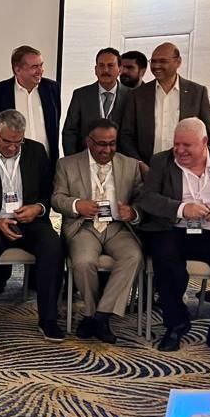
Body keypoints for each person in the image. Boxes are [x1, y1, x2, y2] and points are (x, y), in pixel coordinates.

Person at [137, 118, 210, 357]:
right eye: (176, 144)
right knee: (165, 260)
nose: (179, 150)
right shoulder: (161, 161)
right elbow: (147, 199)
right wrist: (182, 209)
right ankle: (176, 325)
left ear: (204, 142)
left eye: (186, 145)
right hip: (174, 230)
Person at [0, 110, 64, 345]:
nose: (13, 148)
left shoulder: (36, 151)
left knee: (52, 245)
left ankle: (48, 319)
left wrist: (37, 208)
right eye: (7, 142)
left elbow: (49, 191)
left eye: (19, 142)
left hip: (28, 220)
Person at [51, 119, 143, 344]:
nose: (107, 150)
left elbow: (142, 199)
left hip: (118, 227)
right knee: (83, 262)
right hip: (85, 226)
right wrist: (77, 205)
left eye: (112, 144)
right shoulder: (67, 164)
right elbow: (57, 198)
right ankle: (92, 313)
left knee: (133, 257)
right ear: (88, 142)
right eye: (102, 144)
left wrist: (133, 212)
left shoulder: (131, 165)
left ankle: (99, 316)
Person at [119, 42, 210, 169]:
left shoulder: (197, 93)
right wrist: (139, 164)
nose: (156, 66)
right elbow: (126, 136)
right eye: (153, 61)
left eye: (163, 61)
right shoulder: (137, 95)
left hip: (187, 169)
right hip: (148, 170)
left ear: (178, 62)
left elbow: (209, 136)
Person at [0, 45, 61, 168]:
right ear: (17, 69)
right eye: (34, 67)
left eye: (41, 65)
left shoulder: (52, 89)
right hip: (9, 165)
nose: (40, 70)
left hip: (46, 163)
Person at [61, 48, 129, 156]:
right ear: (96, 69)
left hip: (120, 160)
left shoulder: (131, 96)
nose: (105, 70)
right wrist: (72, 160)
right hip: (85, 159)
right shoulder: (81, 95)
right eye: (101, 65)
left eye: (110, 65)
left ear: (120, 69)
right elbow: (70, 131)